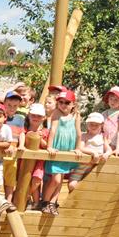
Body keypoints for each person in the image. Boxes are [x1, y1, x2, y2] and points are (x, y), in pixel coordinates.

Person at [42, 88, 83, 216]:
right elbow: (53, 130)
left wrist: (78, 148)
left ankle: (53, 203)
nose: (63, 105)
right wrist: (49, 146)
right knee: (56, 179)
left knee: (61, 179)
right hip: (57, 149)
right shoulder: (56, 113)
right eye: (61, 102)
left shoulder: (76, 115)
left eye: (67, 102)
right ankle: (45, 201)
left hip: (68, 150)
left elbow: (79, 133)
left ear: (73, 104)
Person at [68, 112, 111, 191]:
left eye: (96, 125)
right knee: (72, 185)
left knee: (90, 186)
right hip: (82, 166)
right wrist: (93, 152)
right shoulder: (84, 136)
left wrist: (107, 154)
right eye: (91, 124)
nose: (93, 126)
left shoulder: (102, 137)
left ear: (101, 125)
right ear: (87, 124)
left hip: (95, 167)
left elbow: (108, 149)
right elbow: (80, 148)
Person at [18, 102, 50, 209]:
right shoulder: (25, 130)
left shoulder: (45, 132)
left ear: (43, 118)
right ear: (29, 115)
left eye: (39, 116)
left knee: (36, 180)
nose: (36, 118)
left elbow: (46, 146)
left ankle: (28, 196)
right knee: (25, 179)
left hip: (39, 162)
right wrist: (22, 145)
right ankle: (32, 202)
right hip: (26, 161)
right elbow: (22, 139)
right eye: (33, 115)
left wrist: (40, 138)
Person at [2, 91, 25, 202]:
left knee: (10, 178)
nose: (12, 108)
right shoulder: (0, 117)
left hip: (13, 154)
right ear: (5, 103)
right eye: (9, 105)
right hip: (1, 153)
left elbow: (21, 133)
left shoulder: (20, 119)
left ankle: (9, 200)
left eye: (15, 106)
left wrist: (21, 145)